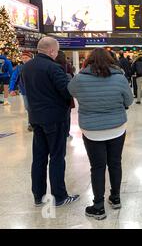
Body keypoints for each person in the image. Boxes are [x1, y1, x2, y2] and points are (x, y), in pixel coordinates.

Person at [68, 48, 133, 220]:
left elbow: (71, 91)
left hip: (92, 130)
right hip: (116, 127)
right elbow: (129, 100)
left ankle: (98, 206)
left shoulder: (80, 78)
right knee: (115, 163)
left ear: (88, 61)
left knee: (97, 167)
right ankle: (116, 197)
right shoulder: (119, 77)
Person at [22, 37, 79, 207]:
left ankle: (38, 196)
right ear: (52, 51)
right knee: (56, 157)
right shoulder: (54, 68)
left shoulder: (27, 67)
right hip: (54, 119)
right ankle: (59, 197)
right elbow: (66, 92)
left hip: (36, 118)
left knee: (39, 157)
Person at [9, 51, 33, 131]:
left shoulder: (35, 67)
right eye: (23, 58)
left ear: (31, 58)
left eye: (26, 58)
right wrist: (11, 89)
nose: (24, 60)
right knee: (28, 107)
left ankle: (34, 123)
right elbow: (14, 78)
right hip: (25, 92)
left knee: (35, 107)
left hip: (36, 91)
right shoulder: (19, 68)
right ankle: (31, 123)